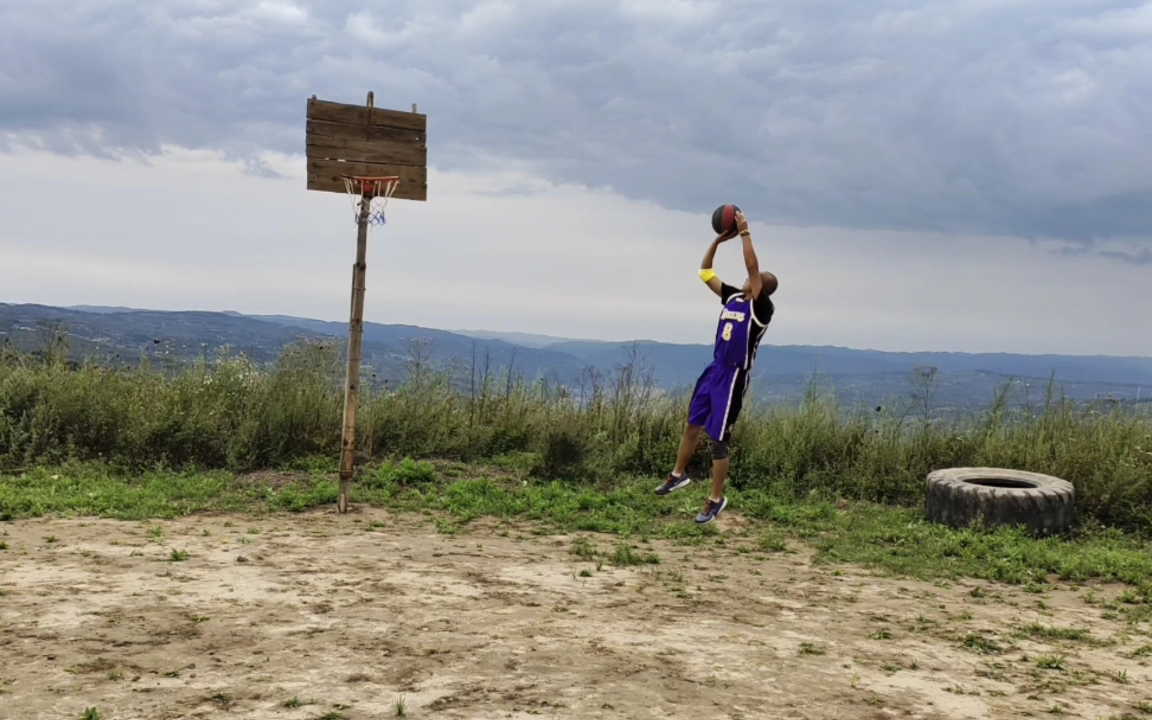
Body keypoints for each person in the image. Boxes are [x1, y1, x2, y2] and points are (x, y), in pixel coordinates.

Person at [655, 210, 777, 524]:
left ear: (760, 286)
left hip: (734, 376)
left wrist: (746, 232)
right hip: (714, 369)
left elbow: (752, 267)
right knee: (692, 425)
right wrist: (719, 240)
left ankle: (715, 498)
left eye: (755, 279)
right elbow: (705, 272)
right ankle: (677, 475)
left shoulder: (761, 308)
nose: (749, 278)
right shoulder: (734, 298)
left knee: (718, 440)